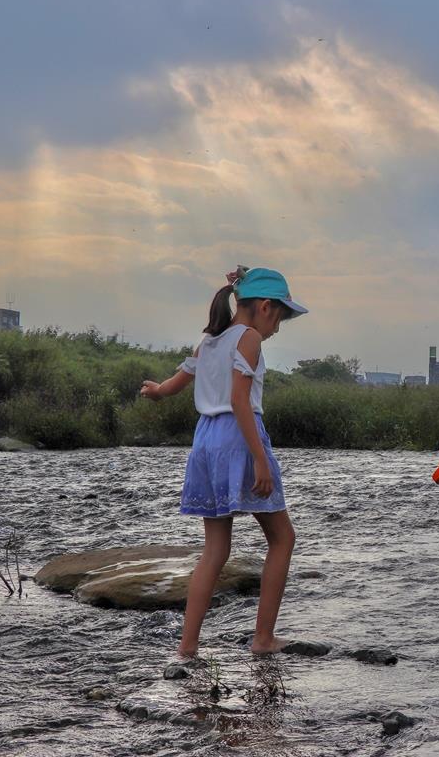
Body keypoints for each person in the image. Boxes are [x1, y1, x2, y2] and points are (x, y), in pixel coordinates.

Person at [140, 266, 307, 658]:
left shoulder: (209, 341)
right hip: (238, 437)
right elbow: (238, 401)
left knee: (215, 549)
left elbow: (173, 385)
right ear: (265, 307)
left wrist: (155, 391)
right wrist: (260, 459)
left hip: (205, 441)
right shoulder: (248, 338)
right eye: (280, 317)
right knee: (283, 538)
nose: (277, 328)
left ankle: (187, 646)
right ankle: (263, 639)